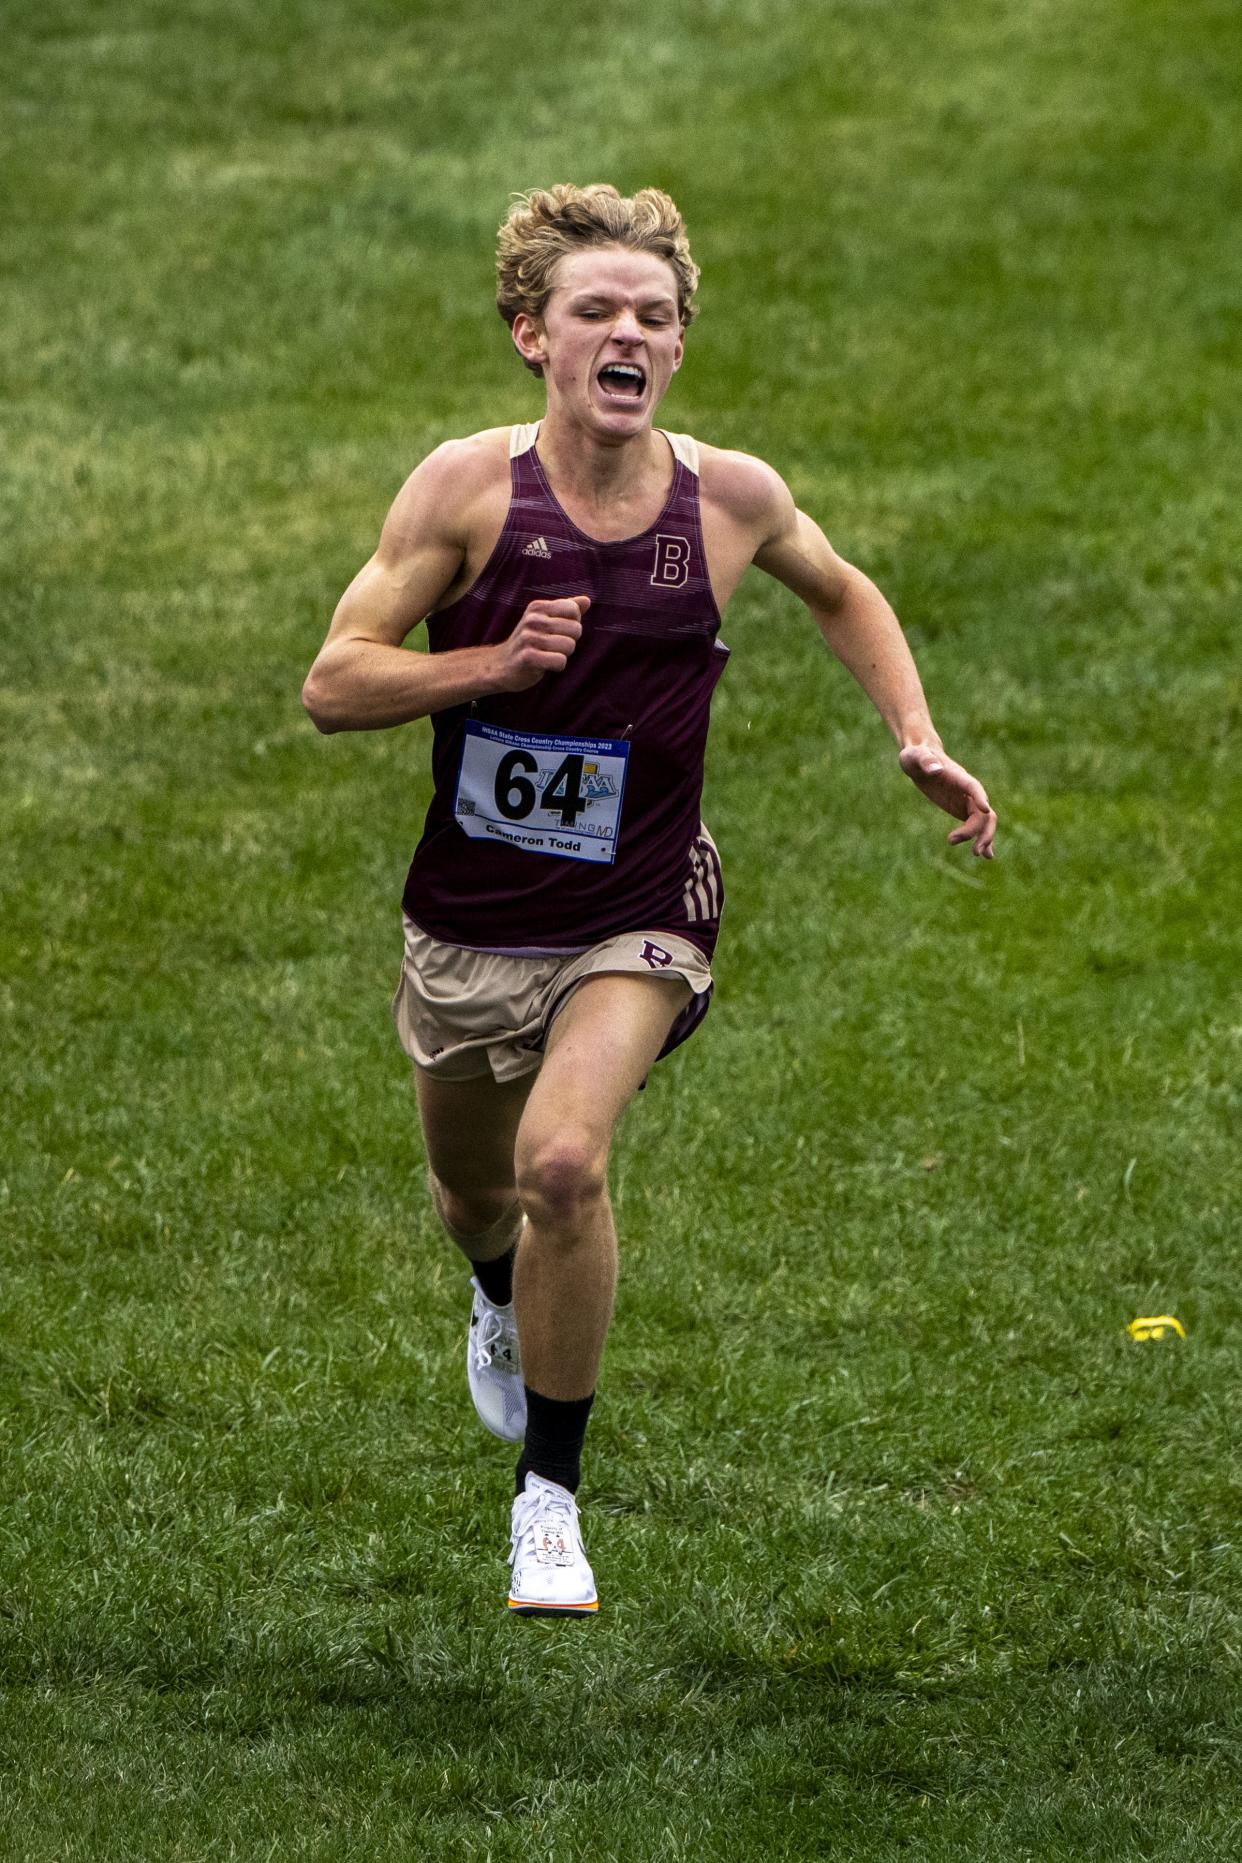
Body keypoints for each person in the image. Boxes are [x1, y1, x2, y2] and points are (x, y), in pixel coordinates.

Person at [302, 183, 996, 1617]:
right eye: (597, 312)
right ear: (531, 339)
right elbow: (333, 683)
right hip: (470, 923)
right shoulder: (464, 491)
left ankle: (546, 1502)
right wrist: (484, 669)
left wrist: (915, 740)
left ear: (676, 347)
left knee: (565, 1163)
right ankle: (496, 1296)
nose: (630, 333)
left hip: (643, 904)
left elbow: (841, 589)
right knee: (477, 1191)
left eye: (654, 316)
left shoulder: (728, 497)